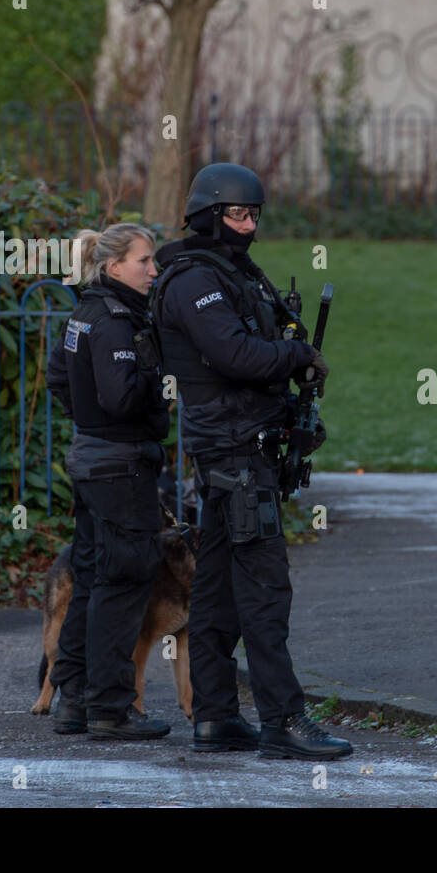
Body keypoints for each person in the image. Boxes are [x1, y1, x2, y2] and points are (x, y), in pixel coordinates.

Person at [153, 162, 350, 759]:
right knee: (265, 589)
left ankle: (214, 717)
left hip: (244, 447)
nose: (247, 225)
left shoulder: (232, 271)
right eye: (237, 214)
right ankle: (284, 720)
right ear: (208, 216)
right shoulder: (193, 280)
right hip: (234, 451)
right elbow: (233, 352)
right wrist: (294, 354)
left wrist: (291, 357)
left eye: (254, 215)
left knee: (215, 589)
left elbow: (260, 338)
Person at [46, 223, 172, 740]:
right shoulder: (119, 320)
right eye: (144, 261)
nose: (154, 270)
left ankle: (72, 698)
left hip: (90, 461)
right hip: (120, 467)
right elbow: (123, 398)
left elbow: (58, 377)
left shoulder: (85, 311)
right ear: (114, 265)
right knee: (125, 579)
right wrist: (158, 383)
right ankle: (112, 708)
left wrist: (89, 419)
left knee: (94, 575)